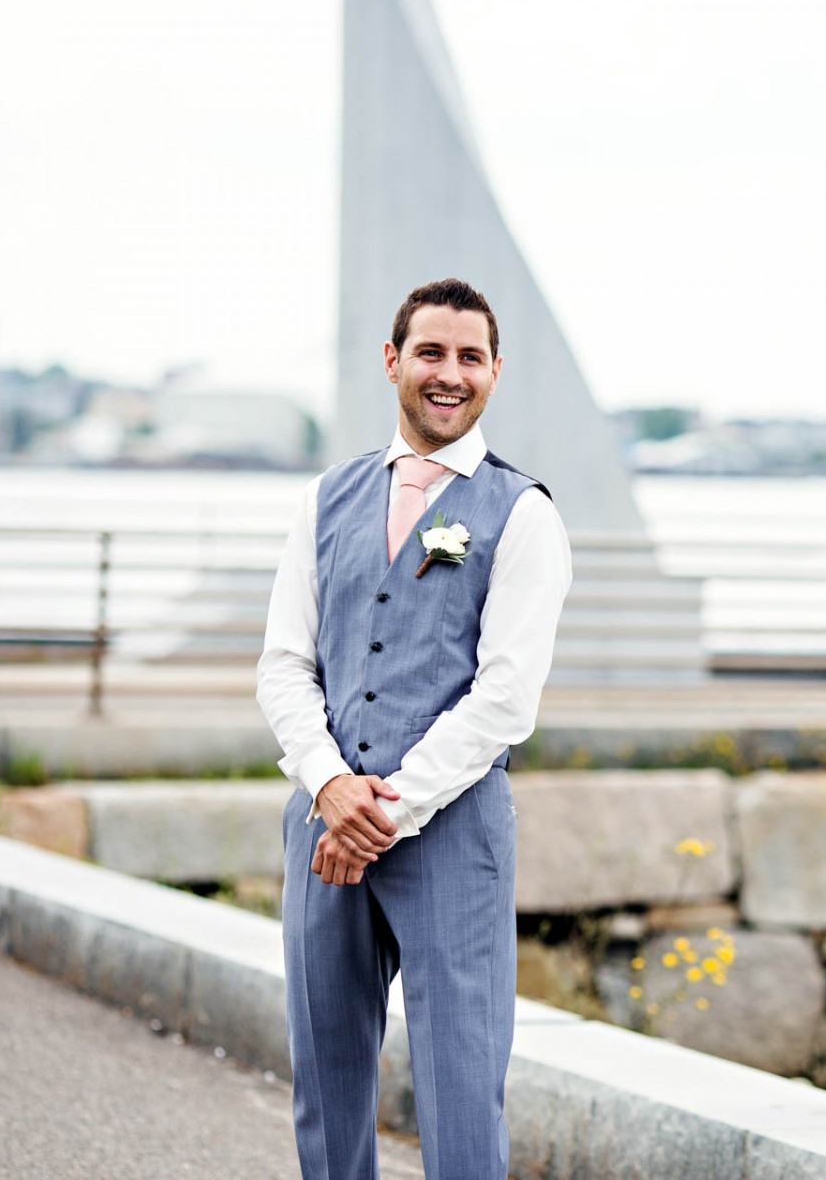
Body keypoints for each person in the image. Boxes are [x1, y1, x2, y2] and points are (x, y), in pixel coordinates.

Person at [256, 277, 572, 1179]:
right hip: (325, 827)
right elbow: (285, 664)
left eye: (470, 357)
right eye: (431, 352)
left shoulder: (525, 515)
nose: (450, 373)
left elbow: (506, 698)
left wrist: (385, 809)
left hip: (451, 836)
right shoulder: (326, 499)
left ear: (495, 374)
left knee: (462, 1090)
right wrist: (330, 786)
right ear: (394, 361)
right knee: (327, 1085)